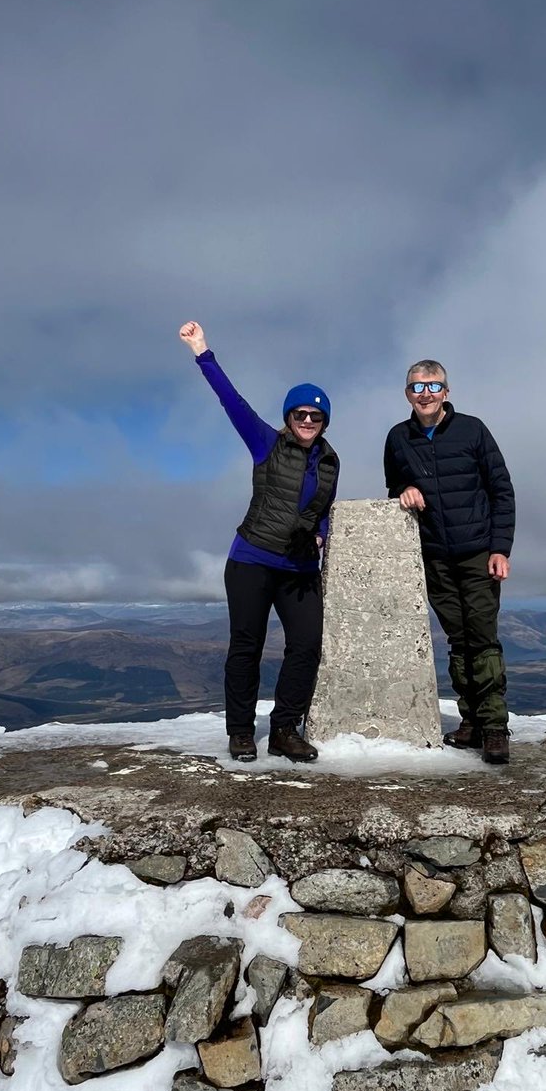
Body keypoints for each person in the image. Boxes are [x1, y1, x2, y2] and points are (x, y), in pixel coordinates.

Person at [179, 321, 339, 764]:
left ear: (324, 422)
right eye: (300, 414)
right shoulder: (265, 442)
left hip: (300, 567)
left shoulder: (329, 460)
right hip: (252, 559)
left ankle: (285, 730)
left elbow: (324, 505)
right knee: (246, 645)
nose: (307, 421)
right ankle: (241, 733)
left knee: (306, 645)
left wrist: (322, 530)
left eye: (316, 416)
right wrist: (202, 352)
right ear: (288, 417)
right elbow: (232, 402)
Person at [383, 359, 515, 764]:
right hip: (434, 555)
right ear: (407, 394)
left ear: (446, 391)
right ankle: (471, 722)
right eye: (417, 388)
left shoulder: (472, 430)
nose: (426, 394)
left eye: (433, 386)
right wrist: (404, 488)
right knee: (459, 642)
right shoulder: (398, 438)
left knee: (482, 638)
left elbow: (501, 490)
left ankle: (494, 728)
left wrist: (499, 548)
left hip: (477, 553)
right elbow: (393, 483)